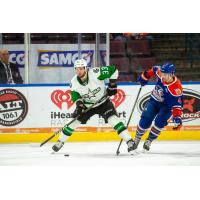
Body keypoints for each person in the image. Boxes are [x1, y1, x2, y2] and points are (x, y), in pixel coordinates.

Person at [52, 58, 135, 154]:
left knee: (113, 120)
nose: (79, 71)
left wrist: (112, 84)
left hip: (103, 102)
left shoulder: (96, 73)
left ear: (86, 68)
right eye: (77, 69)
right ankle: (60, 142)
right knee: (71, 123)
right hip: (87, 106)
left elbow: (114, 70)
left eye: (81, 68)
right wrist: (80, 105)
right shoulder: (74, 82)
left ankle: (130, 141)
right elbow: (76, 97)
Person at [132, 62, 183, 151]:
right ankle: (137, 138)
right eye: (162, 73)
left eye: (166, 74)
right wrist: (144, 78)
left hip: (166, 107)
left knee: (160, 122)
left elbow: (177, 105)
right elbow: (151, 71)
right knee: (145, 119)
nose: (163, 75)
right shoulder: (159, 72)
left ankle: (149, 140)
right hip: (154, 101)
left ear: (172, 74)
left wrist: (177, 116)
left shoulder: (176, 88)